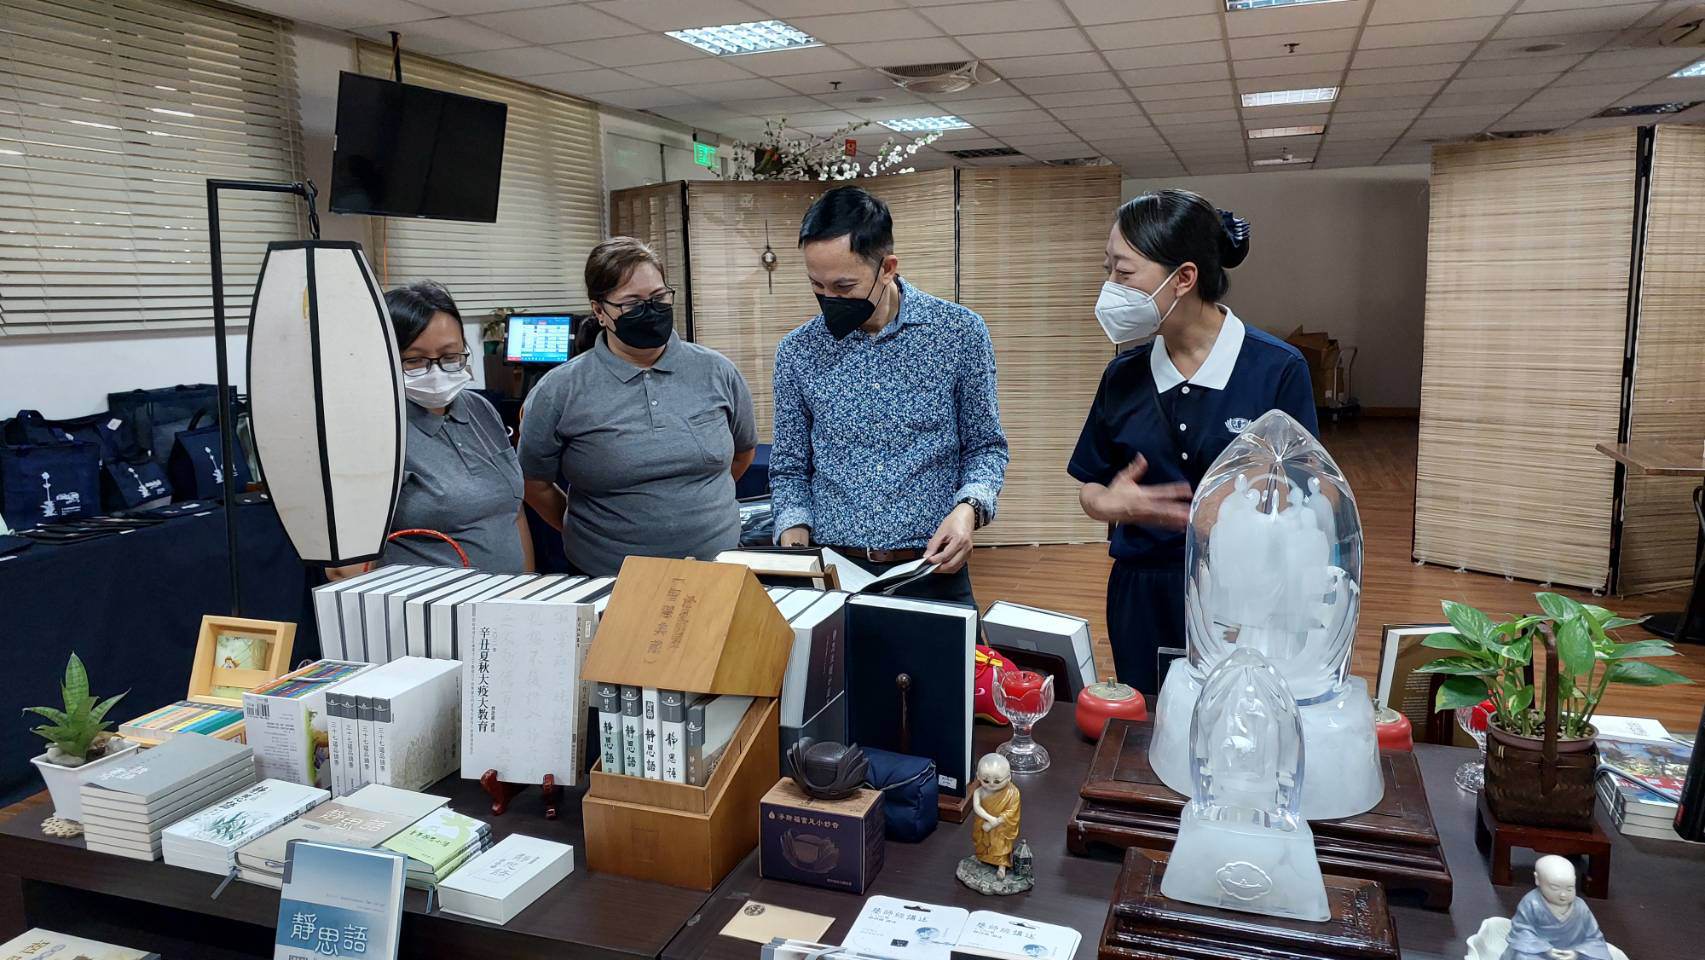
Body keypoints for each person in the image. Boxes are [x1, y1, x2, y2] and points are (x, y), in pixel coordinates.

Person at [1068, 189, 1316, 694]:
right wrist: (1115, 504)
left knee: (1239, 720)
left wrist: (1236, 508)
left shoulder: (1276, 370)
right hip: (1142, 590)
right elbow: (1091, 488)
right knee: (1147, 729)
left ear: (1184, 278)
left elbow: (1305, 494)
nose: (1109, 287)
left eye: (1124, 272)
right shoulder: (1123, 375)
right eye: (1108, 269)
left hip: (1244, 593)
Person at [771, 186, 1008, 608]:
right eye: (817, 286)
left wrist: (967, 510)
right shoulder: (798, 351)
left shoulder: (958, 334)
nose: (830, 300)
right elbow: (789, 467)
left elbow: (986, 448)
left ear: (887, 268)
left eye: (844, 286)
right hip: (834, 573)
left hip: (933, 569)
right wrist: (794, 539)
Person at [519, 237, 756, 576]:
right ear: (600, 311)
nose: (651, 310)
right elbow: (533, 483)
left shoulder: (717, 371)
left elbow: (742, 454)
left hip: (718, 567)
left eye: (659, 298)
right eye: (631, 303)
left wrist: (695, 506)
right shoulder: (559, 391)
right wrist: (590, 532)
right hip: (606, 575)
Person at [330, 280, 532, 577]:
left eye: (450, 357)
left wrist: (528, 590)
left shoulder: (480, 410)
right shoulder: (373, 432)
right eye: (415, 360)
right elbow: (345, 569)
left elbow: (512, 512)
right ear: (381, 358)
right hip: (425, 615)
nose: (436, 371)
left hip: (506, 607)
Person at [1501, 855, 1612, 960]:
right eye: (1555, 888)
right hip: (1539, 954)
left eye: (1569, 888)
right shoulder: (1532, 903)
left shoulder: (1581, 907)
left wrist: (1577, 952)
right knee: (1523, 957)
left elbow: (1594, 937)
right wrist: (1545, 949)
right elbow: (1522, 930)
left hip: (1572, 955)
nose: (1563, 895)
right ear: (1538, 880)